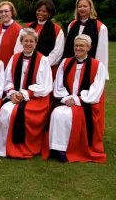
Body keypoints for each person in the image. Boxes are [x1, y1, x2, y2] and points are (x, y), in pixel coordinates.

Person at [44, 34, 106, 163]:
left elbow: (96, 90)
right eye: (76, 45)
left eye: (82, 46)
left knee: (68, 116)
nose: (78, 48)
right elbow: (58, 85)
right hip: (65, 100)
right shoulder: (65, 62)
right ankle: (55, 148)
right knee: (57, 113)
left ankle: (65, 149)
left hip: (85, 103)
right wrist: (66, 98)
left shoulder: (97, 66)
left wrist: (77, 100)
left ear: (89, 47)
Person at [0, 28, 52, 158]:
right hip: (15, 96)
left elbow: (45, 85)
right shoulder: (15, 58)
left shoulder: (42, 60)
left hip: (36, 98)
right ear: (21, 42)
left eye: (31, 41)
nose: (28, 44)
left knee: (19, 113)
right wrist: (12, 93)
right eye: (25, 41)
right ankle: (3, 147)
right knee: (5, 111)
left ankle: (22, 146)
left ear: (36, 43)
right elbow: (7, 79)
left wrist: (25, 94)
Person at [62, 0, 108, 79]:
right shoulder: (72, 25)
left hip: (90, 67)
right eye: (80, 6)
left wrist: (100, 73)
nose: (82, 9)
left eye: (85, 6)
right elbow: (68, 47)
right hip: (72, 66)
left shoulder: (100, 27)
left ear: (91, 8)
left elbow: (102, 52)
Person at [26, 0, 64, 77]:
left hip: (47, 68)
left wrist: (42, 65)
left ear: (49, 14)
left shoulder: (56, 30)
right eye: (39, 10)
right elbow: (20, 45)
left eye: (44, 11)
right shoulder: (28, 27)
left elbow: (57, 52)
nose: (40, 13)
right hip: (27, 66)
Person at [0, 1, 23, 66]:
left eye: (6, 11)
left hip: (8, 67)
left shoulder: (19, 30)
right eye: (1, 12)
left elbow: (18, 53)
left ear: (12, 12)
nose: (3, 13)